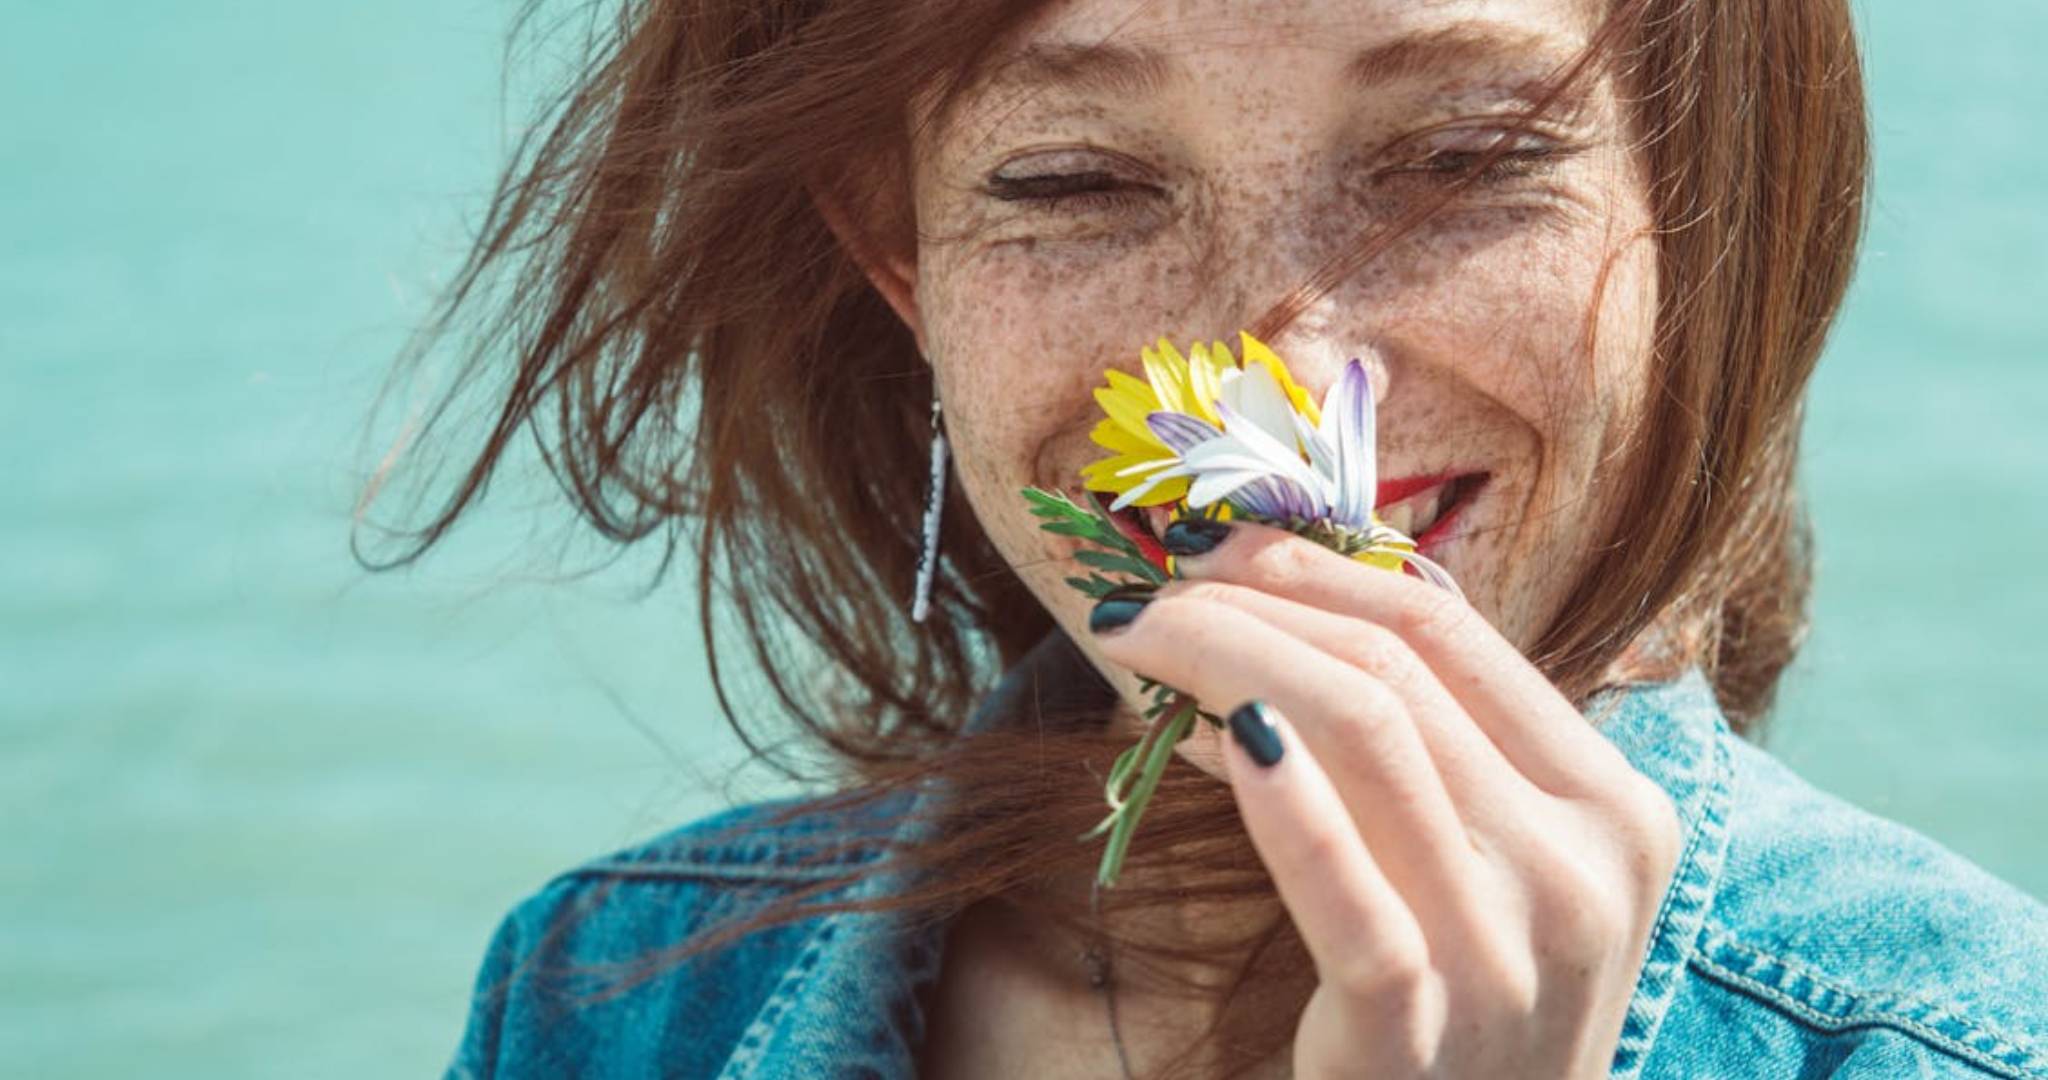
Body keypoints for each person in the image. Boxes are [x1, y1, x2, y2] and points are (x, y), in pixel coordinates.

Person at [363, 0, 2048, 1075]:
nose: (1289, 375)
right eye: (1075, 182)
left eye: (1465, 158)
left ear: (1698, 208)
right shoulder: (609, 1000)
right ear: (902, 262)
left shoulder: (1960, 1042)